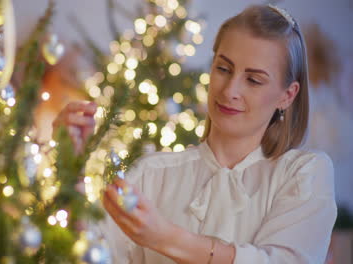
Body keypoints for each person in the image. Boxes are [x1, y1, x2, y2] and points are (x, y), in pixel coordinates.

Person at [53, 4, 337, 264]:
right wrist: (70, 171)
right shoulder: (151, 174)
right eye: (223, 69)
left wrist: (165, 238)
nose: (229, 91)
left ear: (287, 96)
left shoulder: (303, 175)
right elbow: (88, 253)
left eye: (253, 80)